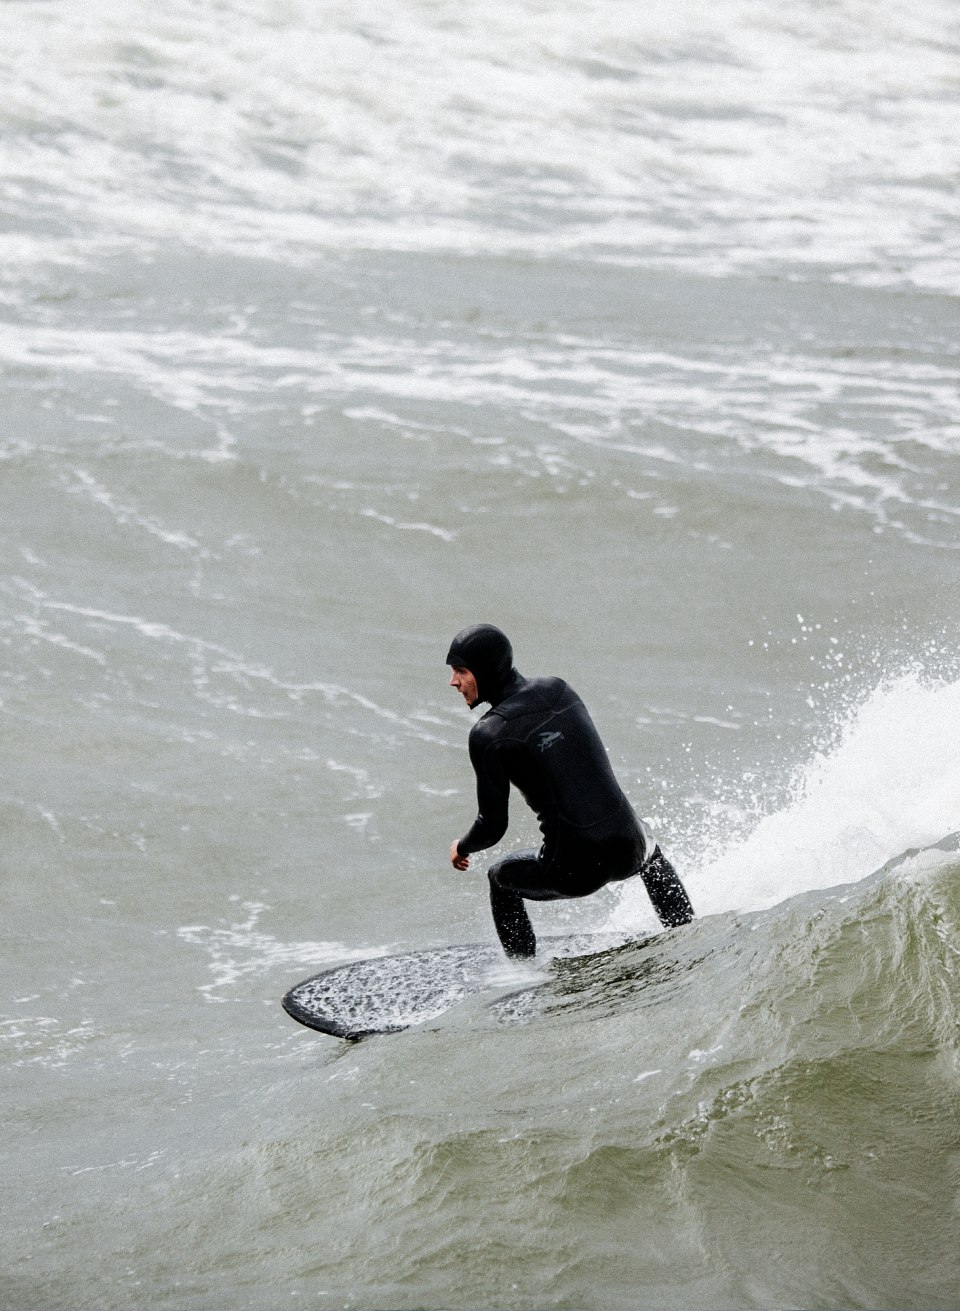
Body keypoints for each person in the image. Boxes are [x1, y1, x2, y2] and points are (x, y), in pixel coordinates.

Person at [447, 623, 694, 958]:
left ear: (485, 670)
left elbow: (493, 826)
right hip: (628, 849)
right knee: (651, 851)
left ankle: (522, 974)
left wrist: (462, 846)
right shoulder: (559, 690)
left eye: (461, 671)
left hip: (575, 868)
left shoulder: (489, 734)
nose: (454, 682)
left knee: (499, 878)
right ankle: (689, 934)